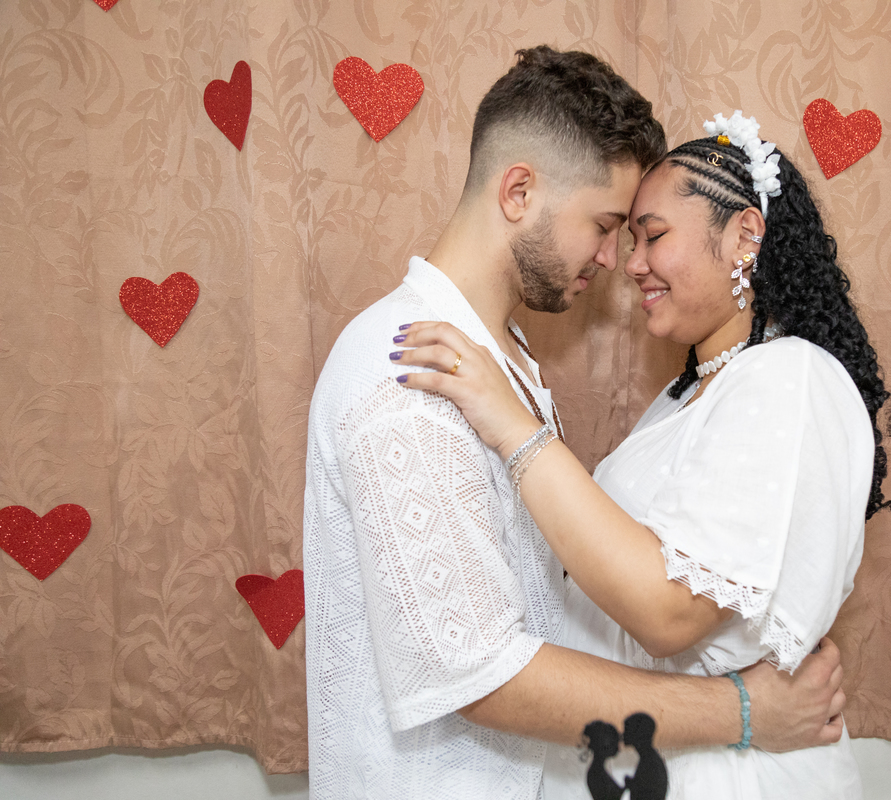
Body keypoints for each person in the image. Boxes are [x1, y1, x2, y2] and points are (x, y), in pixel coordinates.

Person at [304, 48, 849, 800]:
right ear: (519, 191)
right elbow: (482, 674)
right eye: (606, 225)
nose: (616, 259)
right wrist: (744, 711)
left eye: (639, 234)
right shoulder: (408, 366)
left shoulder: (497, 359)